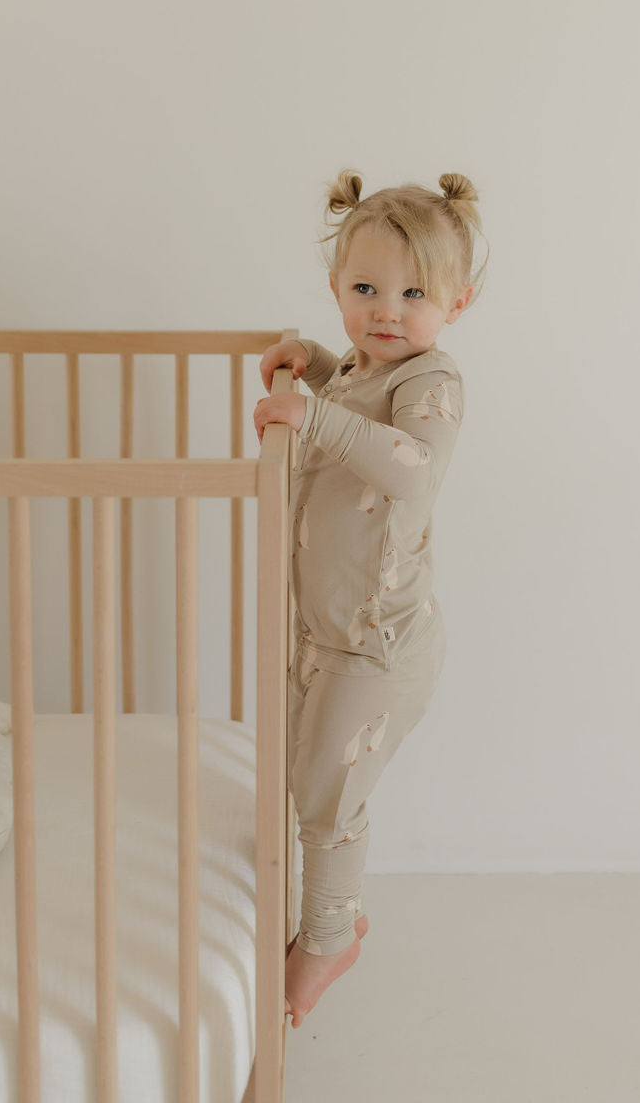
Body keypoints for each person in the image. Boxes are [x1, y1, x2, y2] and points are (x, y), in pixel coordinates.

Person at [254, 168, 487, 1028]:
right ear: (336, 290)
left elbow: (409, 465)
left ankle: (327, 937)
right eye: (365, 289)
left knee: (327, 792)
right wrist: (314, 365)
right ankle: (322, 913)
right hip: (326, 634)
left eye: (413, 293)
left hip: (381, 644)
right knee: (301, 773)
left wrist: (308, 414)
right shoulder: (360, 366)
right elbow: (350, 395)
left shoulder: (433, 383)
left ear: (456, 302)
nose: (387, 311)